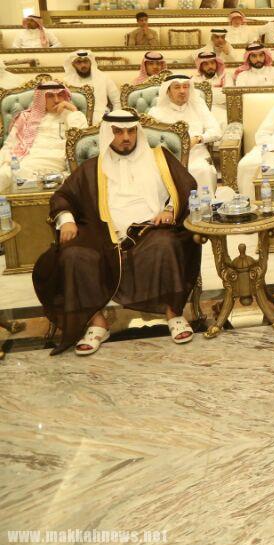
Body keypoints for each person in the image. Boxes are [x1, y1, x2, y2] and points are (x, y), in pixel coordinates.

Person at [33, 108, 200, 356]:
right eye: (118, 132)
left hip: (149, 229)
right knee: (73, 255)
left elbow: (187, 185)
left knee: (166, 243)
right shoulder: (93, 167)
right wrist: (66, 220)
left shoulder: (160, 158)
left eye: (131, 131)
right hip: (103, 234)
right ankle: (98, 322)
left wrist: (169, 209)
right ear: (107, 134)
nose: (126, 137)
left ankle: (173, 313)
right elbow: (63, 196)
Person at [0, 82, 88, 192]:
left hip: (54, 160)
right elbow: (9, 145)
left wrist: (73, 110)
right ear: (41, 98)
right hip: (25, 158)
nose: (56, 100)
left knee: (11, 176)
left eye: (60, 95)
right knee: (4, 174)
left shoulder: (71, 115)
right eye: (50, 96)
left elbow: (81, 140)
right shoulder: (27, 117)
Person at [148, 73, 222, 193]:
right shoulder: (156, 112)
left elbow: (216, 131)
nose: (182, 91)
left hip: (196, 153)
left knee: (203, 170)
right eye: (177, 87)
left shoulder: (198, 107)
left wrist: (198, 139)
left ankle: (204, 204)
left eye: (186, 87)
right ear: (168, 91)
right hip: (169, 156)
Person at [62, 49, 120, 123]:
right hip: (75, 119)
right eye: (79, 62)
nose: (83, 65)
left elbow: (117, 101)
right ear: (73, 64)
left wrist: (114, 120)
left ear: (91, 62)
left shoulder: (104, 78)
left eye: (86, 61)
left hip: (101, 119)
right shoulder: (67, 81)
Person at [192, 50, 229, 125]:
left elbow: (227, 96)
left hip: (221, 112)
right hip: (201, 113)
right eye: (206, 64)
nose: (210, 66)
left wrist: (203, 96)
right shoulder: (194, 79)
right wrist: (217, 93)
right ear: (201, 66)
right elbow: (193, 99)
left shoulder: (225, 77)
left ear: (216, 64)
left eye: (212, 63)